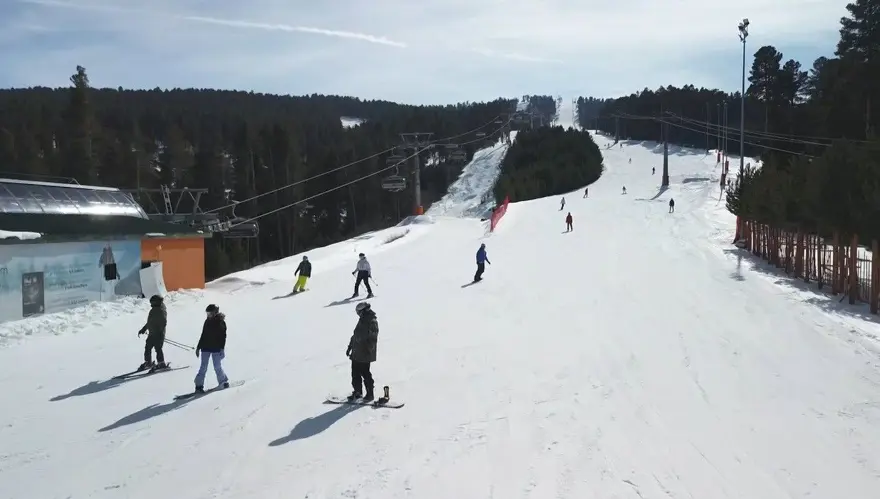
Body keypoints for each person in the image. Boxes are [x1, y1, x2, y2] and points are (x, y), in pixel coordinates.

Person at [346, 301, 379, 401]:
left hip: (364, 353)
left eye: (359, 312)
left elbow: (373, 338)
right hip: (357, 352)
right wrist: (350, 347)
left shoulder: (372, 321)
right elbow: (356, 335)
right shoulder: (362, 320)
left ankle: (370, 394)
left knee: (365, 373)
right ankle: (357, 392)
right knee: (355, 373)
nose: (358, 314)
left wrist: (368, 349)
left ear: (364, 311)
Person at [194, 304, 229, 393]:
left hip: (216, 348)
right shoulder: (207, 321)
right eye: (207, 313)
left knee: (217, 366)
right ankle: (198, 386)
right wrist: (198, 347)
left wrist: (222, 348)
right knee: (203, 367)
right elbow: (203, 335)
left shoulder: (220, 322)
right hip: (205, 347)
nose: (208, 315)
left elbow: (223, 337)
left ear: (215, 313)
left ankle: (223, 381)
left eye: (210, 313)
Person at [137, 294, 167, 371]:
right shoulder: (153, 310)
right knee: (147, 348)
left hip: (158, 334)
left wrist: (160, 331)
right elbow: (150, 322)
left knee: (158, 348)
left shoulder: (161, 310)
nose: (151, 304)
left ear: (156, 302)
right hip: (152, 334)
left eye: (152, 302)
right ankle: (148, 362)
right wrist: (143, 329)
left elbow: (163, 322)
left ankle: (161, 363)